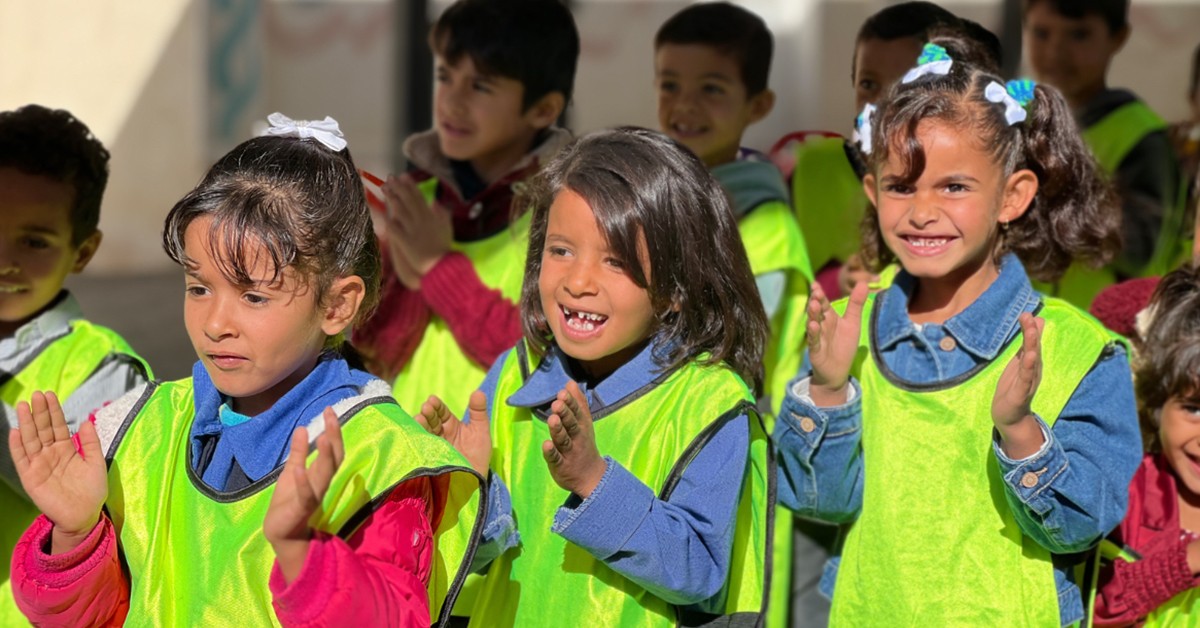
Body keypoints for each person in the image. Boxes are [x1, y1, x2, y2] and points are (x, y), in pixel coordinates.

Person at [7, 115, 483, 626]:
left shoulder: (377, 458)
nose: (215, 324)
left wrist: (304, 559)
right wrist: (75, 535)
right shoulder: (140, 427)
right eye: (198, 288)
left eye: (253, 296)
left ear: (337, 304)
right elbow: (92, 615)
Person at [775, 37, 1141, 626]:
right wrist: (827, 390)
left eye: (953, 186)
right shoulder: (847, 329)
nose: (922, 211)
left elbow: (1080, 527)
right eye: (901, 186)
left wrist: (1020, 430)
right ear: (872, 190)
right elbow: (818, 502)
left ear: (1012, 196)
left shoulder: (1079, 351)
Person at [415, 127, 773, 627]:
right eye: (561, 250)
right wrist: (469, 487)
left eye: (616, 261)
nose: (579, 281)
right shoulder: (513, 375)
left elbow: (700, 572)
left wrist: (593, 480)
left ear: (676, 287)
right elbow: (489, 553)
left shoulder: (711, 402)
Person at [352, 0, 579, 418]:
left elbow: (547, 359)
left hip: (505, 455)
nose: (452, 101)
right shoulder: (420, 201)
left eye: (481, 86)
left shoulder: (565, 209)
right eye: (445, 77)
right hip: (410, 450)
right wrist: (408, 278)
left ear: (543, 109)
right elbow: (375, 352)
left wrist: (438, 268)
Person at [0, 104, 151, 626]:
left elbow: (90, 517)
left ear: (83, 251)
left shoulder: (105, 369)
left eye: (34, 241)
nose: (4, 261)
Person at [1023, 0, 1185, 306]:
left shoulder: (1141, 137)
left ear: (1118, 37)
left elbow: (1140, 252)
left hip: (1099, 326)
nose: (1055, 52)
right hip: (1022, 319)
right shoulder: (1017, 118)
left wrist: (1067, 184)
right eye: (1042, 33)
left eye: (1079, 35)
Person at [1093, 262, 1200, 625]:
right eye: (1194, 409)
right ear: (1158, 404)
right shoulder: (1124, 495)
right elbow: (1090, 607)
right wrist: (1188, 560)